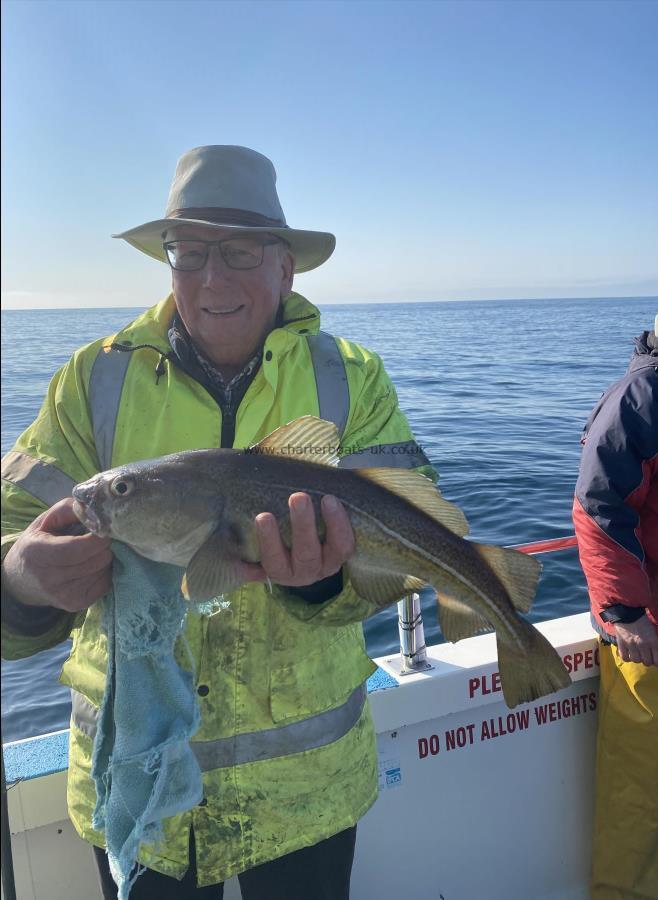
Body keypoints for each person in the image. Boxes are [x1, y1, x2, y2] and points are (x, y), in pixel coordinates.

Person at [0, 145, 435, 899]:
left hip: (306, 792)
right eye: (188, 250)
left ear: (286, 266)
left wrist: (319, 585)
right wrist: (18, 579)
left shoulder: (350, 377)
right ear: (166, 260)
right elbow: (11, 538)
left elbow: (403, 542)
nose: (211, 277)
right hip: (140, 788)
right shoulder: (89, 380)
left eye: (238, 251)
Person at [573, 303, 658, 900]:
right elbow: (597, 505)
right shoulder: (646, 395)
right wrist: (626, 612)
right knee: (637, 793)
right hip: (654, 635)